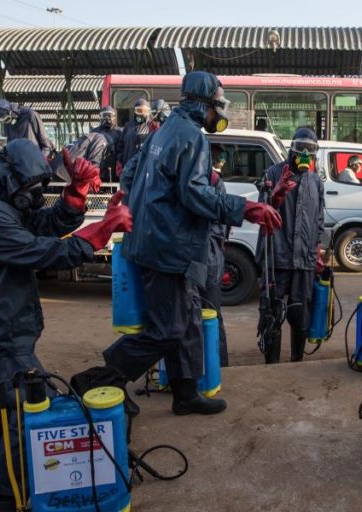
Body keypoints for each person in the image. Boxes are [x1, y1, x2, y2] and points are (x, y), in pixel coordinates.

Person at [0, 138, 131, 511]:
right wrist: (102, 231)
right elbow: (42, 251)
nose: (33, 196)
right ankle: (0, 492)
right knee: (26, 408)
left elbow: (43, 224)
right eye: (29, 189)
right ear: (9, 175)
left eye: (38, 188)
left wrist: (75, 194)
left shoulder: (2, 199)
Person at [89, 71, 281, 416]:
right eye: (219, 105)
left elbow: (131, 171)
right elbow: (194, 193)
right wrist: (247, 208)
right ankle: (102, 378)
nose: (220, 113)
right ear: (204, 104)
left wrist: (131, 199)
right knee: (170, 328)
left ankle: (185, 392)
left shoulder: (163, 132)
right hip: (167, 248)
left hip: (155, 241)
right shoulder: (192, 137)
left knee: (187, 319)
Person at [256, 127, 325, 364]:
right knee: (272, 311)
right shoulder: (273, 173)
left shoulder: (315, 181)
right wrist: (276, 193)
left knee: (300, 311)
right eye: (300, 149)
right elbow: (261, 211)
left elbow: (318, 220)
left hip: (304, 259)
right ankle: (272, 366)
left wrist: (316, 250)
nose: (304, 155)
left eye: (310, 150)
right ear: (291, 151)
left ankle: (297, 360)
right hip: (277, 257)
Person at [203, 150, 231, 367]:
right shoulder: (185, 179)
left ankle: (219, 365)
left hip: (208, 260)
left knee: (212, 315)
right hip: (196, 259)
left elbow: (219, 227)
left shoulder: (214, 182)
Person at [91, 106, 123, 181]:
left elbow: (122, 149)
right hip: (99, 165)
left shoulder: (119, 132)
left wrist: (119, 161)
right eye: (104, 116)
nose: (107, 119)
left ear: (114, 117)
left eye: (109, 116)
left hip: (114, 166)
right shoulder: (95, 131)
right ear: (100, 117)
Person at [118, 98, 152, 166]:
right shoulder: (128, 126)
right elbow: (120, 146)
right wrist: (120, 160)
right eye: (139, 111)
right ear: (135, 111)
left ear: (148, 112)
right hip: (128, 165)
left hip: (144, 166)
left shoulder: (151, 126)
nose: (141, 114)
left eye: (144, 111)